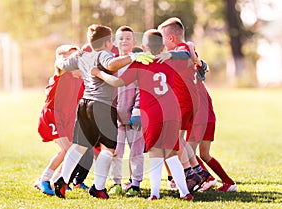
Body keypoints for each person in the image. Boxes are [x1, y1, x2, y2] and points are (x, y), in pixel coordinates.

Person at [53, 24, 155, 199]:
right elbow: (111, 64)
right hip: (103, 106)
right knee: (108, 148)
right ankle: (98, 187)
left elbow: (61, 65)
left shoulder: (82, 56)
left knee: (79, 145)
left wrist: (61, 64)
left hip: (84, 104)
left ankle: (62, 179)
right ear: (108, 42)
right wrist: (132, 56)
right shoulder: (104, 54)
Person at [91, 29, 193, 201]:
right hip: (171, 112)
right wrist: (170, 55)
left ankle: (154, 193)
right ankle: (184, 192)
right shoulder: (169, 61)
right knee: (171, 153)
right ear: (162, 47)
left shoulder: (140, 63)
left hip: (152, 113)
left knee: (155, 153)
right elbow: (188, 55)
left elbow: (117, 82)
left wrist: (98, 73)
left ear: (144, 47)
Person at [157, 17, 211, 192]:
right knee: (179, 138)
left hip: (183, 102)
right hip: (189, 102)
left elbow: (185, 55)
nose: (162, 44)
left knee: (173, 138)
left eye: (162, 39)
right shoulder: (187, 47)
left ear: (171, 38)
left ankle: (190, 172)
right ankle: (197, 171)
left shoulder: (181, 50)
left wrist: (167, 55)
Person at [35, 44, 90, 195]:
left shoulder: (79, 78)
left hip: (67, 119)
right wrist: (67, 61)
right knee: (68, 148)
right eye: (71, 57)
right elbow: (60, 65)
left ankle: (56, 180)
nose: (75, 60)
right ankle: (44, 179)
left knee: (73, 151)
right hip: (52, 116)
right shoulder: (60, 74)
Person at [185, 44, 237, 192]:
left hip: (200, 118)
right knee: (203, 154)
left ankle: (209, 178)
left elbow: (203, 66)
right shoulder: (191, 71)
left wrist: (197, 60)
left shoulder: (191, 72)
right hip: (206, 117)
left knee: (188, 152)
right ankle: (225, 181)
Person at [108, 26, 145, 197]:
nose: (124, 41)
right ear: (115, 42)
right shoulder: (112, 64)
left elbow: (141, 90)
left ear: (134, 42)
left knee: (136, 152)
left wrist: (137, 109)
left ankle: (135, 184)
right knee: (116, 151)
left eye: (128, 38)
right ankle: (116, 182)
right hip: (115, 117)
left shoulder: (138, 63)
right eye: (121, 38)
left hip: (133, 116)